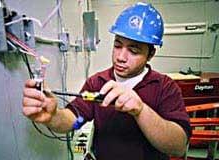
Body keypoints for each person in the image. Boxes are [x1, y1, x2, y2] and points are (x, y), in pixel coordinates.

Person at [22, 2, 191, 160]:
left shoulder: (165, 87)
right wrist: (53, 116)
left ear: (150, 54)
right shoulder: (97, 82)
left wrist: (141, 110)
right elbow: (74, 119)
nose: (121, 57)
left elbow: (178, 146)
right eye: (117, 45)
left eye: (133, 50)